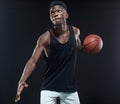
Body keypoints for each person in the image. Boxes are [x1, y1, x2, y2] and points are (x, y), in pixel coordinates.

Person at [15, 1, 83, 104]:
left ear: (66, 15)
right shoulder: (45, 38)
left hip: (69, 88)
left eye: (59, 11)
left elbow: (79, 46)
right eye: (52, 13)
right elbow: (33, 61)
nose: (55, 14)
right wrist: (21, 81)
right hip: (49, 87)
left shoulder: (75, 32)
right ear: (50, 17)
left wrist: (90, 46)